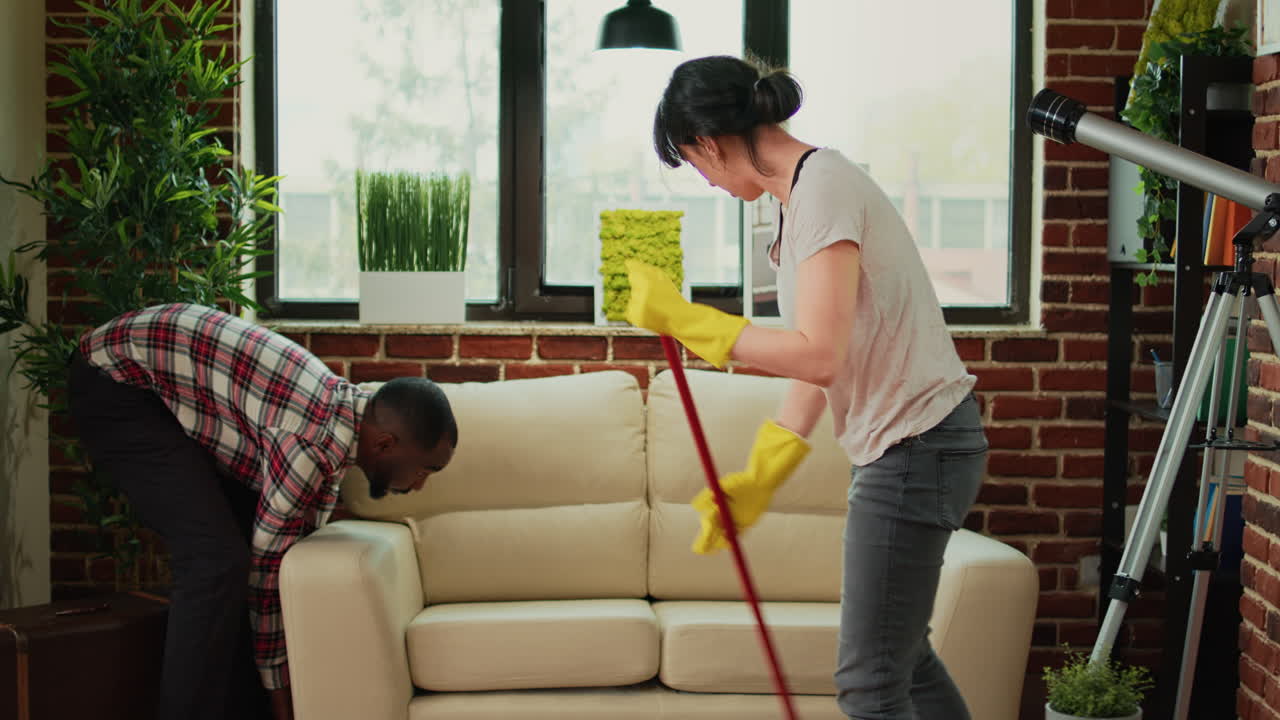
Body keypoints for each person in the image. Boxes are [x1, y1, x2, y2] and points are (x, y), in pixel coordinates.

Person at [627, 55, 988, 720]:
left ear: (708, 140)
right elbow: (822, 359)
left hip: (917, 445)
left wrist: (687, 320)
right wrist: (766, 470)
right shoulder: (798, 202)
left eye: (694, 163)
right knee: (903, 663)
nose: (705, 180)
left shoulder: (823, 189)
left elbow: (818, 355)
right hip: (918, 445)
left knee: (869, 683)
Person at [67, 303, 457, 720]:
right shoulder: (305, 444)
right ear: (384, 445)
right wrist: (280, 697)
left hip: (170, 379)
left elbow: (295, 533)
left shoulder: (350, 417)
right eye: (424, 469)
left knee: (238, 552)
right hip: (116, 380)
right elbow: (267, 579)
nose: (419, 483)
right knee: (214, 563)